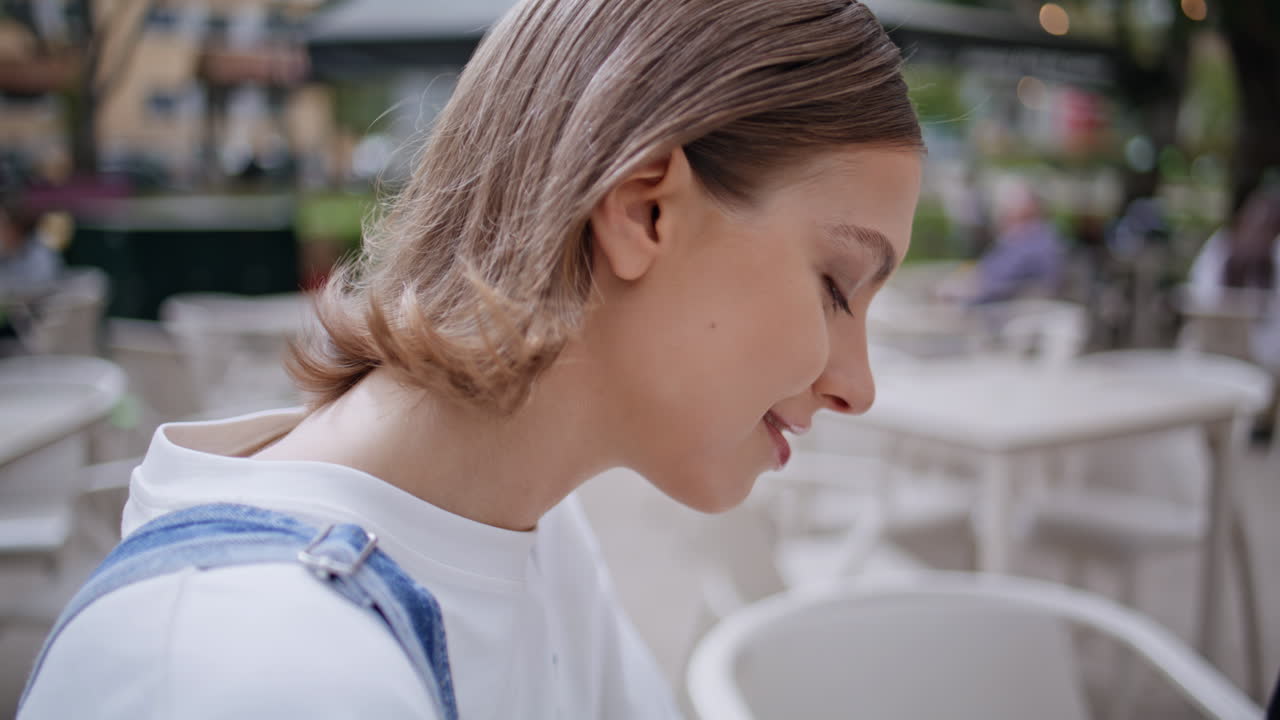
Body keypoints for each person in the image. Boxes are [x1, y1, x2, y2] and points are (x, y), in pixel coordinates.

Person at [17, 0, 923, 717]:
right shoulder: (246, 672)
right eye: (837, 285)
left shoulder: (525, 526)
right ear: (645, 210)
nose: (859, 385)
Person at [938, 178, 1066, 305]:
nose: (1005, 207)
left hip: (1003, 309)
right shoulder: (1023, 236)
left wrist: (963, 296)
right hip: (995, 300)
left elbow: (1003, 284)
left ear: (1031, 206)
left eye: (1013, 201)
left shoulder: (1032, 240)